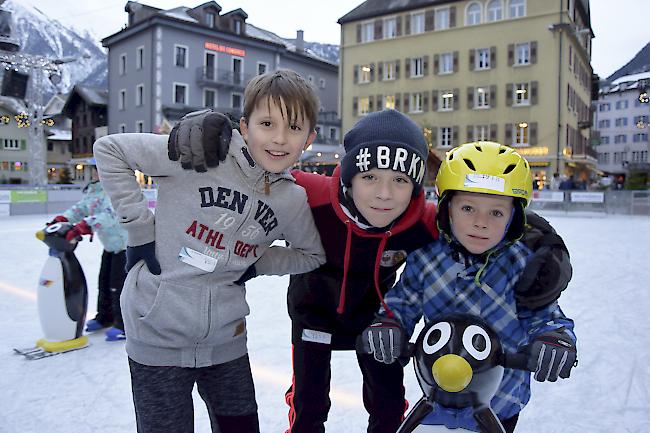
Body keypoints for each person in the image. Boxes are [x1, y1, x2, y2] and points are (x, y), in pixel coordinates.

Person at [167, 108, 574, 433]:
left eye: (400, 180)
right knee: (310, 404)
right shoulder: (312, 194)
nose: (383, 194)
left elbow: (503, 221)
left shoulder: (426, 224)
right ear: (348, 176)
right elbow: (261, 166)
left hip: (375, 323)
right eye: (369, 177)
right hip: (315, 314)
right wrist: (214, 126)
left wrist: (546, 249)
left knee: (386, 403)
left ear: (417, 188)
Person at [93, 69, 326, 433]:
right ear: (244, 128)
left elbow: (312, 255)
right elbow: (110, 149)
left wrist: (257, 263)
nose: (280, 139)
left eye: (294, 128)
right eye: (267, 123)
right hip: (157, 332)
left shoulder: (291, 200)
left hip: (226, 340)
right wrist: (140, 230)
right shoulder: (200, 154)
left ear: (309, 138)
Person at [358, 141, 577, 433]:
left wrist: (555, 337)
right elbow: (403, 303)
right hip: (438, 395)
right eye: (468, 207)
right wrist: (389, 325)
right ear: (447, 209)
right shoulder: (426, 257)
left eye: (496, 213)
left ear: (514, 217)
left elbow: (545, 315)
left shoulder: (524, 265)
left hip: (500, 403)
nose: (480, 223)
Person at [49, 165, 128, 341]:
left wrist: (84, 226)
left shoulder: (115, 190)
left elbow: (110, 215)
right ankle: (105, 317)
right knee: (104, 282)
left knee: (119, 286)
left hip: (125, 245)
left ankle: (124, 324)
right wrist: (63, 219)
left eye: (98, 169)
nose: (94, 173)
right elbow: (80, 209)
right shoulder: (94, 191)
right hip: (110, 245)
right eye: (93, 170)